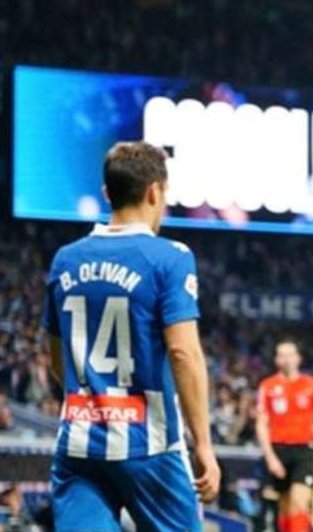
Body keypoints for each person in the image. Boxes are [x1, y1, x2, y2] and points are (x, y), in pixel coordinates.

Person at [42, 141, 219, 531]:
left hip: (79, 443)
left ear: (108, 193)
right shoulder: (170, 257)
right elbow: (183, 353)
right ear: (155, 191)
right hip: (149, 444)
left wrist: (95, 401)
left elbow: (58, 361)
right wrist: (203, 443)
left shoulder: (65, 259)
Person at [256, 340, 313, 532]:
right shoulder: (267, 387)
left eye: (290, 354)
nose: (286, 359)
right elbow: (261, 424)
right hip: (278, 450)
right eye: (281, 355)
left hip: (304, 450)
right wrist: (270, 457)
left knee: (299, 502)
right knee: (285, 508)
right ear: (276, 360)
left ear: (298, 358)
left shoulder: (312, 385)